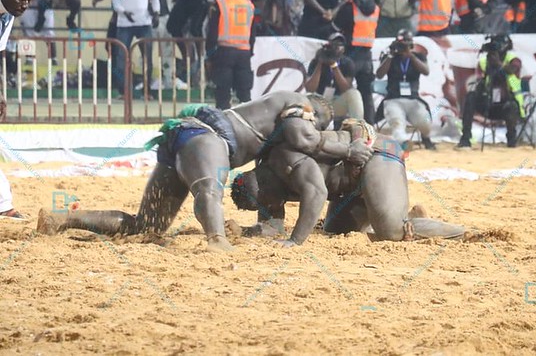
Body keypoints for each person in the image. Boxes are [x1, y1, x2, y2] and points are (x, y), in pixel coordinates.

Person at [37, 91, 374, 252]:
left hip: (186, 138)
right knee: (210, 188)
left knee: (147, 225)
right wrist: (348, 148)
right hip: (208, 137)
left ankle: (63, 219)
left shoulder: (273, 129)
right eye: (317, 122)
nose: (315, 128)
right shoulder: (297, 103)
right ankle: (216, 240)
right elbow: (305, 138)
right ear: (313, 110)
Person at [230, 119, 465, 246]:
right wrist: (247, 231)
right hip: (350, 188)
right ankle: (411, 216)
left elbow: (316, 194)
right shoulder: (265, 184)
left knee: (392, 233)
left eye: (263, 204)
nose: (267, 207)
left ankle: (462, 234)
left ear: (262, 189)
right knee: (336, 231)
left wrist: (295, 240)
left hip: (376, 155)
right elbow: (274, 228)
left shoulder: (287, 159)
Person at [0, 0, 32, 220]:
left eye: (29, 0)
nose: (26, 5)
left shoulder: (8, 15)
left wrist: (0, 92)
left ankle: (3, 204)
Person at [456, 34, 525, 149]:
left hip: (507, 103)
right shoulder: (484, 62)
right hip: (488, 103)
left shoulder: (513, 60)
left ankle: (512, 140)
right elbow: (479, 82)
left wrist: (498, 63)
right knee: (471, 97)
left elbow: (512, 70)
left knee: (511, 106)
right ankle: (465, 138)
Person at [110, 0, 160, 97]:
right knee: (121, 58)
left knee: (147, 57)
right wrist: (124, 12)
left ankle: (147, 90)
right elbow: (116, 1)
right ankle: (124, 91)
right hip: (125, 23)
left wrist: (156, 12)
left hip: (144, 21)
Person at [375, 29, 436, 150]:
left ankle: (426, 137)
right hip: (393, 98)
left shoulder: (418, 56)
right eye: (402, 42)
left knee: (425, 123)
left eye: (407, 42)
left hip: (413, 99)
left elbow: (426, 71)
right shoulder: (389, 56)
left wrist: (410, 55)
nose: (404, 45)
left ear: (412, 44)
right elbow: (379, 74)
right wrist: (391, 55)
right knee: (397, 122)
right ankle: (404, 142)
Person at [334, 0, 379, 124]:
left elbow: (336, 25)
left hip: (350, 55)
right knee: (366, 94)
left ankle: (338, 127)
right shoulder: (376, 8)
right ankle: (370, 128)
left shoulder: (349, 7)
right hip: (367, 56)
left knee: (341, 91)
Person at [206, 0, 256, 110]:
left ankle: (222, 125)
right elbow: (253, 34)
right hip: (244, 53)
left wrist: (209, 55)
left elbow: (212, 33)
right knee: (245, 95)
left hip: (224, 53)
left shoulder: (220, 4)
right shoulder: (249, 5)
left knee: (223, 93)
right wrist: (250, 52)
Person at [144, 0, 189, 90]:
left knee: (167, 50)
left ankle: (168, 80)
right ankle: (147, 82)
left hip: (165, 17)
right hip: (146, 18)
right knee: (146, 52)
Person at [305, 32, 364, 122]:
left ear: (344, 49)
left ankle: (357, 127)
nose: (337, 47)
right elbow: (310, 88)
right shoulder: (316, 61)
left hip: (336, 103)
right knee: (307, 97)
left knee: (354, 94)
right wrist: (320, 63)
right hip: (319, 103)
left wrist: (334, 65)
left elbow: (345, 88)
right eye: (334, 44)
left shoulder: (347, 63)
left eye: (340, 45)